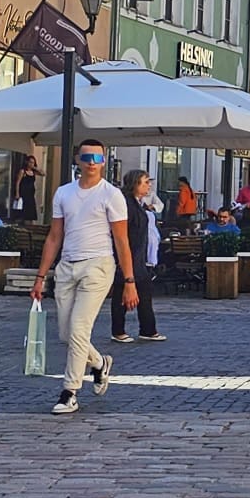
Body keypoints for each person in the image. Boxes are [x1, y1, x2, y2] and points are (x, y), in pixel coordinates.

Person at [32, 138, 135, 416]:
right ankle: (100, 363)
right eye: (87, 157)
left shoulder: (111, 194)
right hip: (67, 266)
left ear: (104, 162)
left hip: (98, 266)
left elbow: (121, 240)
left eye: (98, 159)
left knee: (79, 329)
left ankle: (69, 392)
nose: (92, 163)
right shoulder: (63, 193)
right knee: (66, 334)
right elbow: (54, 237)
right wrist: (41, 276)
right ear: (77, 160)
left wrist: (129, 281)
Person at [110, 170, 166, 345]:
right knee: (121, 292)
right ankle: (118, 330)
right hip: (129, 254)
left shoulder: (138, 204)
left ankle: (148, 329)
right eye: (145, 182)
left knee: (144, 292)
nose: (148, 185)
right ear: (134, 184)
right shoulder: (127, 205)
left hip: (139, 256)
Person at [7, 155, 39, 223]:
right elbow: (18, 182)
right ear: (27, 162)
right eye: (30, 162)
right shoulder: (22, 171)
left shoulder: (33, 172)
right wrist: (17, 193)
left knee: (30, 213)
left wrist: (35, 168)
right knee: (22, 211)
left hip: (30, 194)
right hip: (23, 193)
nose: (31, 164)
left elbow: (43, 173)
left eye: (33, 162)